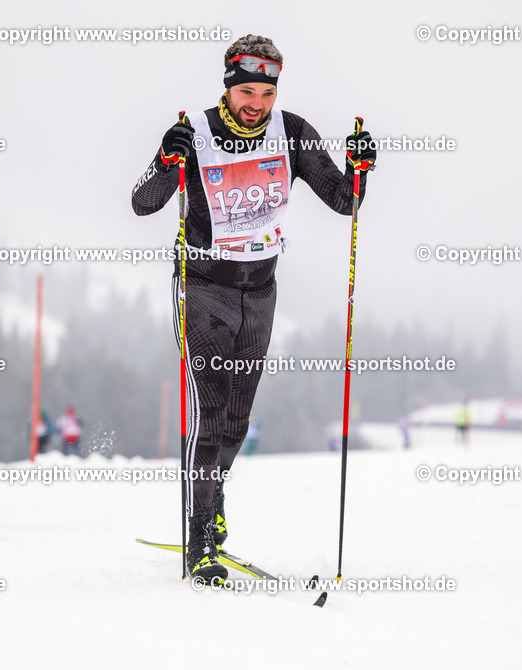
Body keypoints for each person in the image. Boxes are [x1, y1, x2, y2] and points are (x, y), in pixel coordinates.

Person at [131, 34, 376, 582]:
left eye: (266, 94)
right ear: (228, 86)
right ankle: (200, 538)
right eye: (247, 92)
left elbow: (345, 201)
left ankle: (212, 497)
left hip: (260, 291)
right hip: (203, 287)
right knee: (210, 413)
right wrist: (168, 161)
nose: (256, 105)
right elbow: (143, 202)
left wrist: (360, 168)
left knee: (237, 422)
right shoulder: (195, 132)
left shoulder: (292, 131)